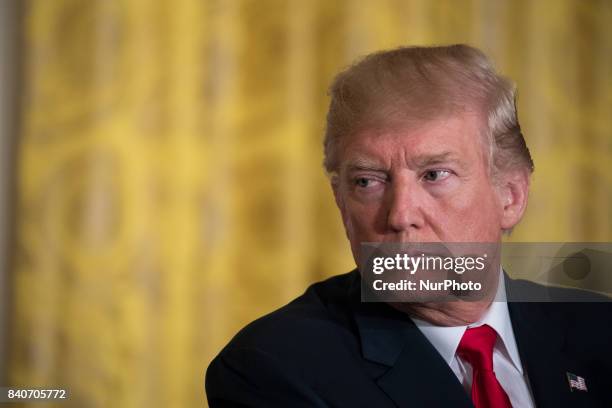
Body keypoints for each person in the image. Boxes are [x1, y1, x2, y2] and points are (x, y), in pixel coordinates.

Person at [205, 45, 612, 407]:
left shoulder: (598, 329)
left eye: (435, 174)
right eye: (367, 182)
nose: (400, 215)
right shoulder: (275, 368)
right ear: (341, 203)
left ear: (511, 195)